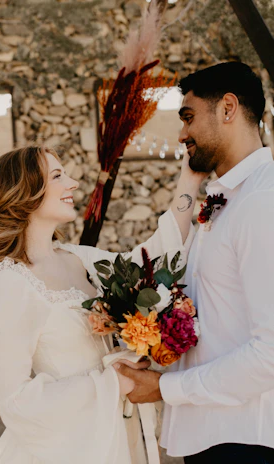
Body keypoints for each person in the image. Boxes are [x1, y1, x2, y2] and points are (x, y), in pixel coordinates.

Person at [0, 144, 204, 464]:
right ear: (25, 192)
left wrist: (189, 182)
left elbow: (152, 259)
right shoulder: (9, 284)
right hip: (70, 450)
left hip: (117, 438)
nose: (73, 183)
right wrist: (113, 383)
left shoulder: (78, 258)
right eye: (58, 176)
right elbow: (16, 402)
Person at [116, 61, 274, 464]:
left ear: (227, 109)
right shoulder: (223, 200)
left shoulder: (262, 202)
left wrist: (165, 388)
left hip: (245, 438)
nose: (182, 134)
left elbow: (271, 351)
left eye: (188, 117)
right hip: (215, 433)